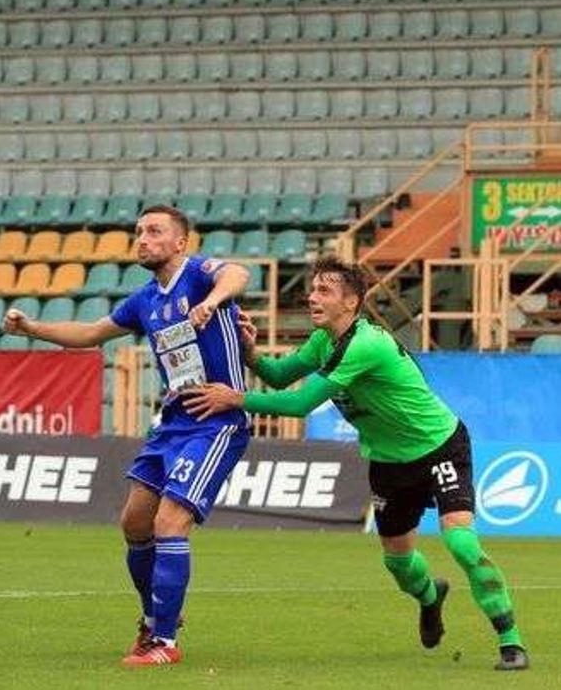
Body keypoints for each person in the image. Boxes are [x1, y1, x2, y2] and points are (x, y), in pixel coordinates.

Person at [182, 256, 529, 671]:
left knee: (462, 543)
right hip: (388, 462)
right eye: (312, 289)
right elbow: (278, 377)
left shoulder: (367, 343)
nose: (312, 297)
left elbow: (299, 404)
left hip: (438, 447)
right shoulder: (323, 341)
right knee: (398, 564)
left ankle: (511, 642)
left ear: (352, 303)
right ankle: (430, 597)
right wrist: (251, 354)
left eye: (324, 291)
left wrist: (235, 398)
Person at [2, 205, 251, 667]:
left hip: (216, 422)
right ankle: (154, 619)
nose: (142, 239)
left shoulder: (199, 275)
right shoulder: (145, 300)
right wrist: (31, 328)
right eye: (139, 232)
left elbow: (238, 272)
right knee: (135, 524)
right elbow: (93, 332)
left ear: (180, 242)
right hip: (173, 421)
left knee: (169, 524)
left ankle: (166, 644)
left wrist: (212, 302)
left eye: (154, 232)